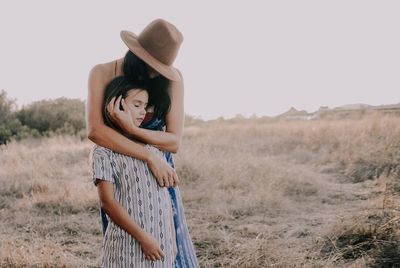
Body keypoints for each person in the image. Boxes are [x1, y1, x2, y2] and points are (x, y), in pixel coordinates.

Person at [86, 18, 199, 267]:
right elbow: (95, 130)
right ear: (135, 53)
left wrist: (130, 129)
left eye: (161, 68)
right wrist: (147, 154)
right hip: (120, 169)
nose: (154, 74)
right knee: (127, 243)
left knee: (171, 242)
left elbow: (173, 142)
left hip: (159, 173)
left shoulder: (172, 78)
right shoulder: (102, 72)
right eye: (151, 65)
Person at [92, 76, 177, 267]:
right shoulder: (104, 151)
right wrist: (143, 239)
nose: (143, 112)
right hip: (127, 245)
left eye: (145, 106)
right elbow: (108, 203)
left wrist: (172, 239)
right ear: (116, 104)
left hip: (162, 245)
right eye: (137, 104)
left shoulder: (153, 148)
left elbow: (165, 198)